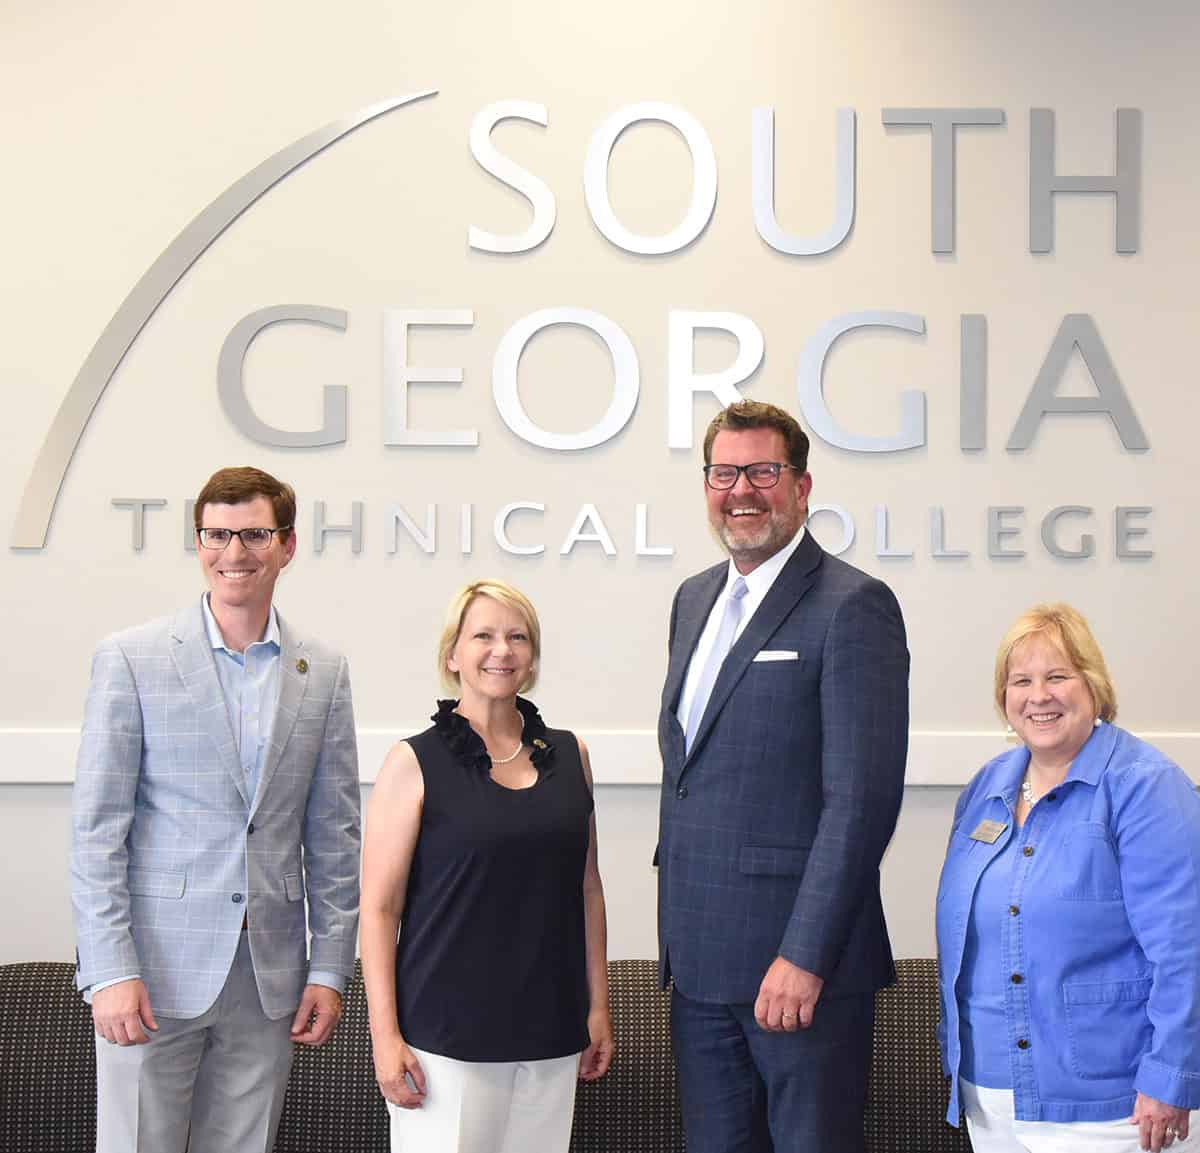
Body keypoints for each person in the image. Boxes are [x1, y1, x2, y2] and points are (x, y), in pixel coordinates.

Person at [70, 466, 361, 1153]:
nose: (235, 552)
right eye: (217, 535)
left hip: (269, 976)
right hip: (151, 971)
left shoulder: (323, 670)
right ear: (198, 542)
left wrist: (329, 968)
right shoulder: (131, 657)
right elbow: (96, 831)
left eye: (254, 534)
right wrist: (110, 969)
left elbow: (335, 835)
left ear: (287, 545)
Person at [656, 399, 910, 1152]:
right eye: (724, 473)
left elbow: (860, 802)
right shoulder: (693, 599)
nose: (741, 490)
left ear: (801, 486)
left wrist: (804, 956)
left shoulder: (854, 605)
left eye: (763, 472)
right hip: (699, 967)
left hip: (800, 974)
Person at [360, 579, 613, 1153]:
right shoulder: (412, 762)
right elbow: (379, 909)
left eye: (517, 637)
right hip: (443, 1042)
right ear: (452, 655)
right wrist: (384, 1036)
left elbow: (588, 891)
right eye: (483, 636)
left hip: (551, 1031)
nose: (502, 650)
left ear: (533, 657)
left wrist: (598, 1006)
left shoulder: (572, 756)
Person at [937, 603, 1200, 1153]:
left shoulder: (1146, 787)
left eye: (1058, 676)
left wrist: (1171, 1075)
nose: (1039, 696)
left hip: (1115, 1107)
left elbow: (1186, 947)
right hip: (990, 1094)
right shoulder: (986, 787)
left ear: (1094, 685)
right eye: (1021, 681)